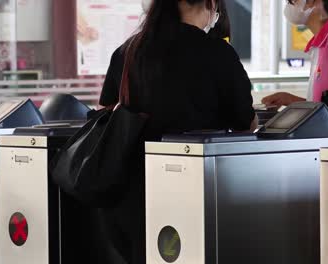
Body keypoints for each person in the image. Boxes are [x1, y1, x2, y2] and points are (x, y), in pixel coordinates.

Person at [97, 0, 257, 263]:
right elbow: (244, 123)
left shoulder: (127, 51)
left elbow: (107, 110)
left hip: (127, 193)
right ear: (210, 3)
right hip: (193, 191)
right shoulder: (217, 53)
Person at [262, 0, 328, 124]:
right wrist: (288, 99)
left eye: (292, 1)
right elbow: (323, 107)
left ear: (312, 2)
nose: (289, 5)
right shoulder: (320, 44)